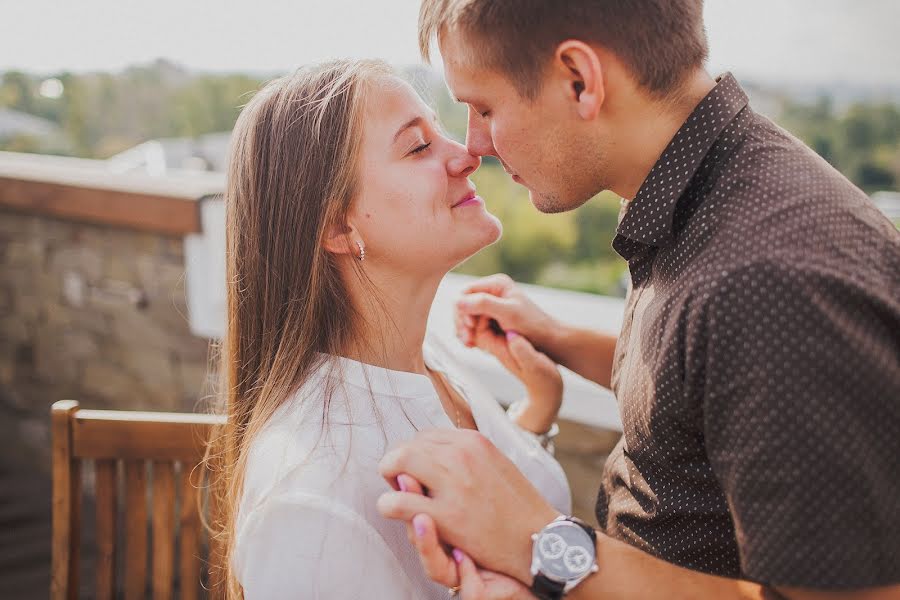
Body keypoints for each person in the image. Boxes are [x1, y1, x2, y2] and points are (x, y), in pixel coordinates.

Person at [377, 1, 900, 598]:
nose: (476, 144)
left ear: (580, 80)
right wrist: (563, 342)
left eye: (485, 107)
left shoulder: (770, 286)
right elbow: (706, 388)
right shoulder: (700, 193)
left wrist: (541, 546)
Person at [203, 58, 574, 599]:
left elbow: (501, 505)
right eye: (418, 147)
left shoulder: (426, 361)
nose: (468, 154)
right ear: (336, 224)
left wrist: (535, 415)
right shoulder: (310, 504)